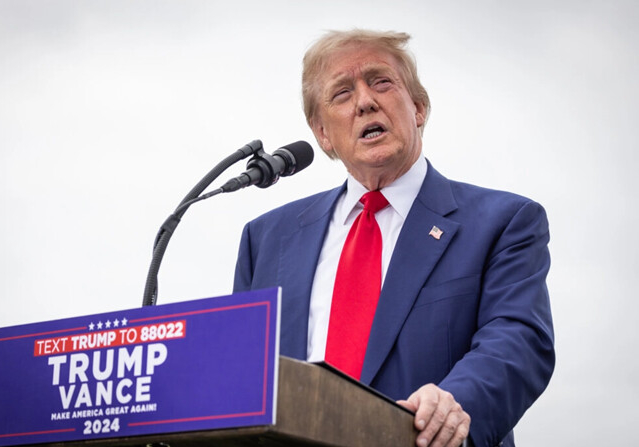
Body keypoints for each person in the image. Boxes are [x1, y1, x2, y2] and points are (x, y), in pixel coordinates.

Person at [233, 29, 554, 447]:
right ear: (323, 134)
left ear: (418, 108)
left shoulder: (503, 223)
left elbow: (518, 339)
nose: (365, 101)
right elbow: (241, 374)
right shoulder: (267, 239)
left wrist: (455, 402)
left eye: (380, 82)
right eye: (342, 93)